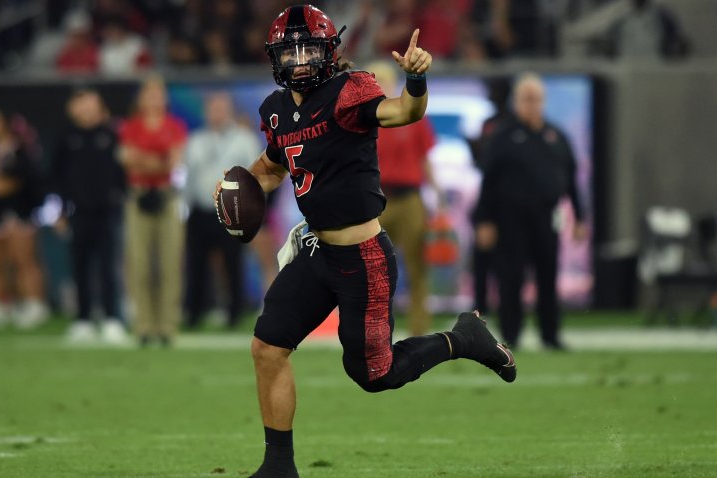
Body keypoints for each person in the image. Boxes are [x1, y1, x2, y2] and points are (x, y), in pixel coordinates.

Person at [213, 6, 516, 478]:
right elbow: (273, 166)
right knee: (268, 346)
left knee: (375, 375)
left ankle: (462, 339)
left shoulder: (349, 90)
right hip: (316, 251)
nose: (298, 60)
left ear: (330, 51)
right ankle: (278, 467)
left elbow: (404, 111)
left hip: (363, 255)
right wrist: (238, 187)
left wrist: (415, 81)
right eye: (289, 51)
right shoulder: (275, 109)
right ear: (274, 56)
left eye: (308, 48)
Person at [474, 73, 588, 350]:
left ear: (543, 100)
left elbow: (571, 177)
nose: (531, 104)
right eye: (526, 98)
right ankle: (511, 335)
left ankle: (550, 334)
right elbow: (489, 180)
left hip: (546, 216)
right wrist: (485, 220)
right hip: (510, 218)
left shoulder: (555, 136)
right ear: (516, 101)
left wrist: (580, 216)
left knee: (548, 276)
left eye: (536, 98)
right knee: (511, 278)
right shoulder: (502, 135)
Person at [367, 60, 440, 337]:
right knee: (374, 269)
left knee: (417, 266)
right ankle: (375, 329)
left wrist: (437, 193)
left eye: (384, 80)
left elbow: (424, 159)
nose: (381, 86)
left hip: (410, 198)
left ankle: (419, 331)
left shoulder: (412, 114)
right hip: (377, 198)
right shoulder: (365, 119)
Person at [52, 89, 128, 344]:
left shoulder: (112, 135)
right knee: (80, 267)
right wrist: (60, 212)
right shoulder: (66, 138)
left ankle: (112, 319)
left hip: (108, 212)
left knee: (108, 267)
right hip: (77, 213)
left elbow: (124, 174)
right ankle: (82, 319)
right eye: (80, 104)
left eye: (90, 104)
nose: (85, 109)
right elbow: (56, 178)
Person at [118, 74, 187, 347]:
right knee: (140, 264)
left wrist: (146, 161)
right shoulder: (131, 127)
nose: (154, 99)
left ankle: (167, 326)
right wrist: (157, 160)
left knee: (170, 263)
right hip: (138, 198)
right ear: (141, 98)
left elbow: (173, 164)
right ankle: (144, 325)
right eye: (149, 93)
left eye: (159, 93)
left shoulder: (175, 126)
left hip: (166, 197)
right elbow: (127, 161)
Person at [183, 92, 259, 328]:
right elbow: (185, 178)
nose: (217, 113)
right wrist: (183, 209)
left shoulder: (245, 139)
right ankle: (194, 313)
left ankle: (235, 312)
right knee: (196, 264)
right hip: (200, 210)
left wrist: (252, 210)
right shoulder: (194, 140)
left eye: (221, 108)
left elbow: (257, 174)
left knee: (233, 263)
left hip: (233, 211)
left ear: (230, 111)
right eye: (213, 108)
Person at [0, 108, 48, 329]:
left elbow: (30, 181)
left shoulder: (21, 150)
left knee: (24, 260)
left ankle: (35, 304)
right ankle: (3, 305)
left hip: (19, 212)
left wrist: (6, 188)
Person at [468, 77, 512, 315]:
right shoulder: (490, 123)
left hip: (504, 206)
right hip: (488, 201)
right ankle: (480, 313)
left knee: (502, 267)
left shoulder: (502, 125)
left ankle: (499, 315)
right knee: (483, 265)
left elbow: (488, 164)